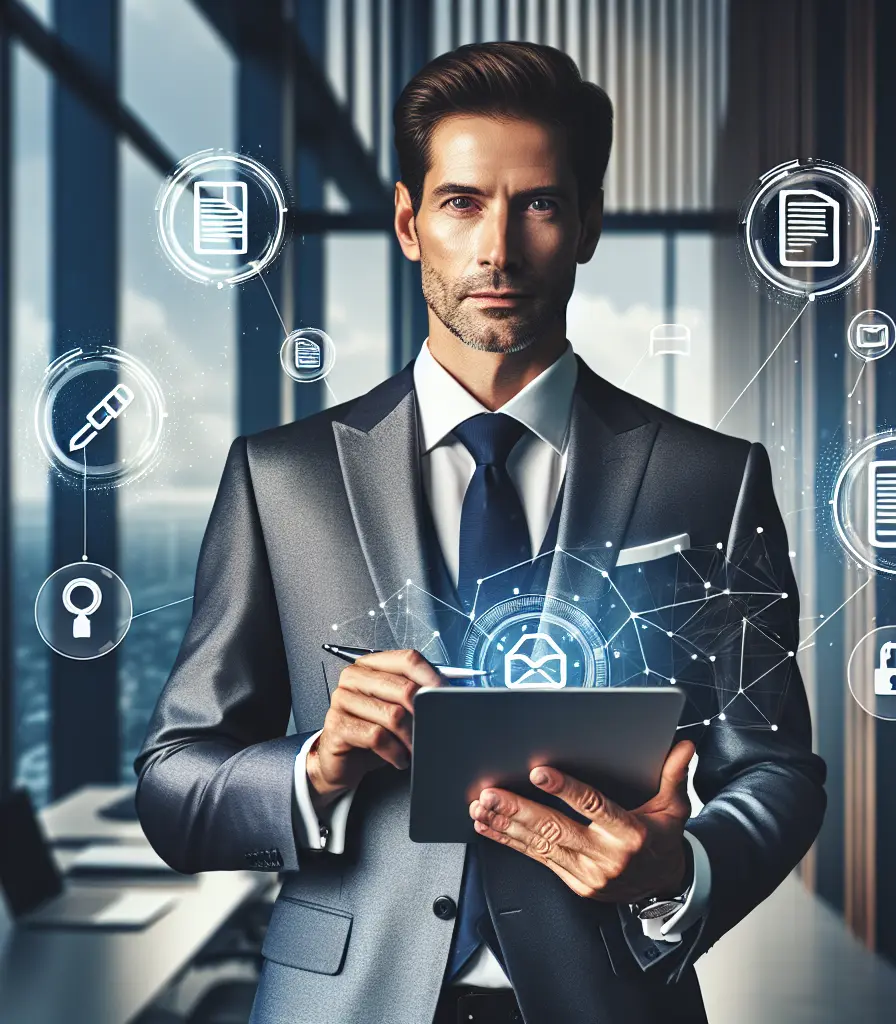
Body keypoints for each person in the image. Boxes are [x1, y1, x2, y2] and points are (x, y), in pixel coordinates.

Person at [135, 40, 826, 1024]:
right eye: (461, 202)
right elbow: (173, 782)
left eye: (538, 203)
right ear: (410, 224)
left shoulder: (707, 480)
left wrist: (687, 864)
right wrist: (313, 767)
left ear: (587, 223)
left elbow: (775, 767)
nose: (497, 249)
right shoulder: (281, 479)